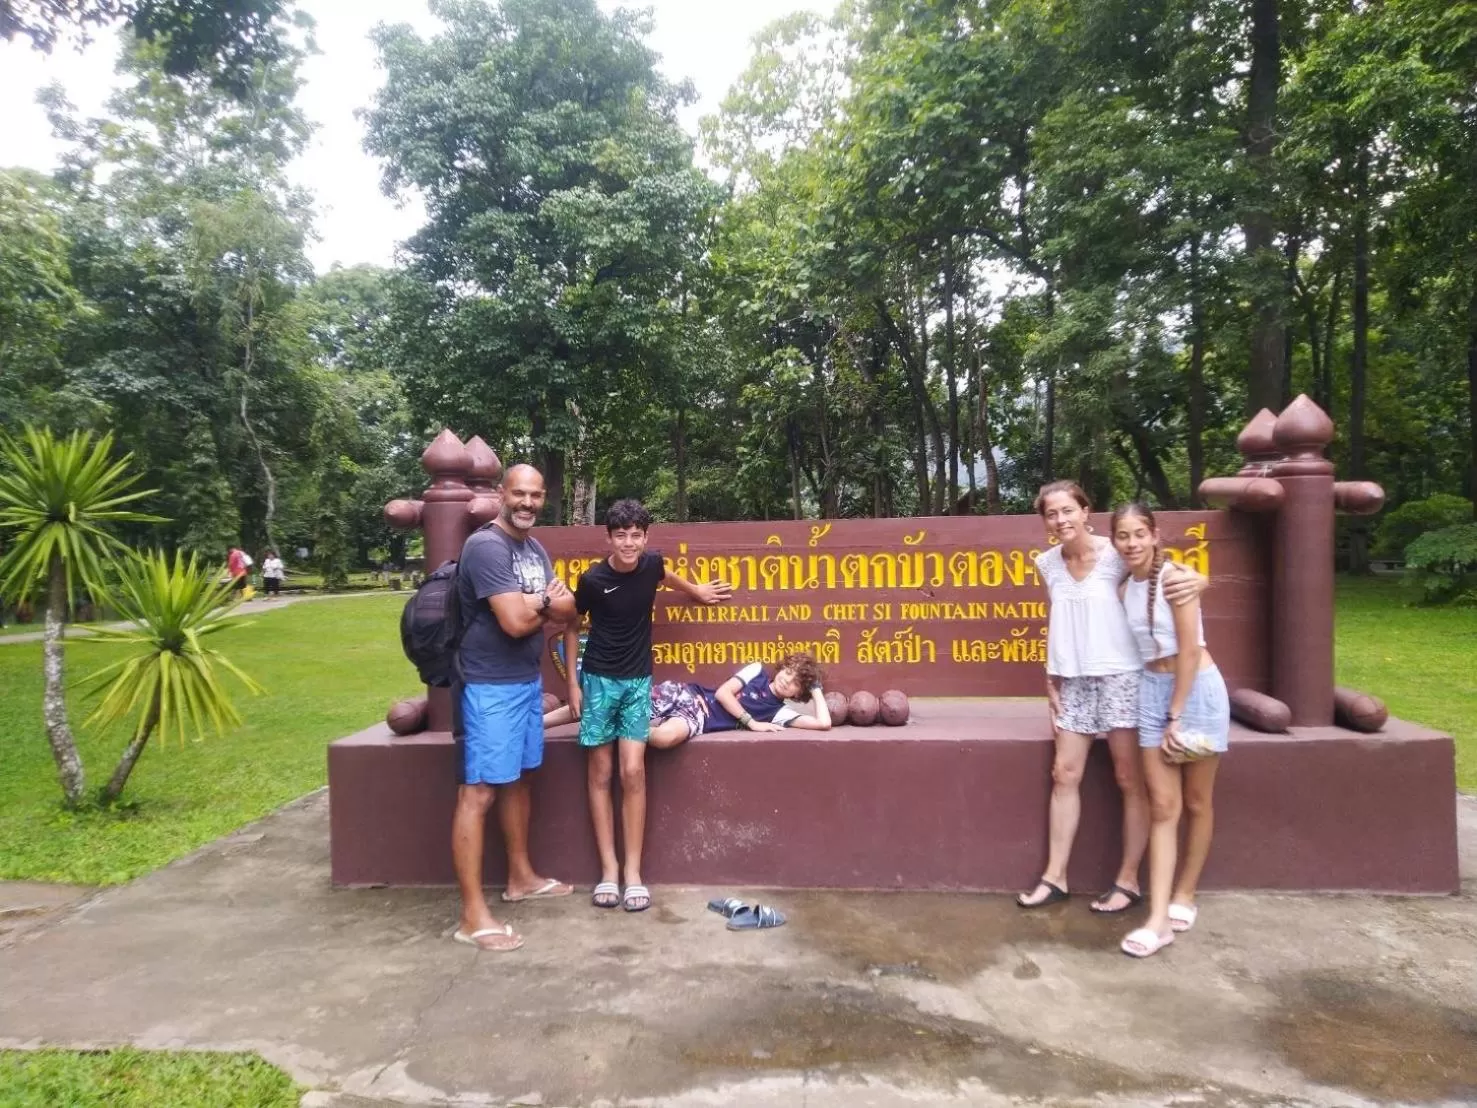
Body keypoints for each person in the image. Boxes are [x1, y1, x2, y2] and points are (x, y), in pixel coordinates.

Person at [1017, 481, 1203, 913]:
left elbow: (1164, 570)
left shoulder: (1115, 554)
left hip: (1122, 676)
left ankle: (1127, 880)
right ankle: (1055, 877)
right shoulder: (1047, 564)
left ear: (1086, 511)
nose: (1061, 520)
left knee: (1128, 778)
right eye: (1051, 514)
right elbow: (1062, 619)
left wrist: (1202, 579)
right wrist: (1051, 677)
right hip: (1073, 681)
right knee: (1064, 774)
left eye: (1068, 510)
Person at [561, 498, 731, 912]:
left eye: (636, 535)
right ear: (608, 538)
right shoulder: (593, 580)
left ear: (645, 537)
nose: (628, 543)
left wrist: (697, 591)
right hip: (599, 681)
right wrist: (573, 685)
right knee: (600, 772)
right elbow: (571, 626)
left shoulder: (651, 564)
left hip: (638, 682)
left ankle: (633, 873)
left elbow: (666, 576)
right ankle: (609, 869)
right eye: (621, 535)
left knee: (633, 770)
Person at [450, 463, 577, 953]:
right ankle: (472, 917)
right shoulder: (486, 547)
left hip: (524, 681)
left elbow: (567, 610)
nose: (527, 503)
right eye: (519, 493)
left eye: (536, 495)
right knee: (479, 792)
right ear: (502, 493)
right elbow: (514, 623)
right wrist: (543, 603)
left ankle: (520, 878)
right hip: (487, 686)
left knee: (520, 779)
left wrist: (537, 602)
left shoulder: (534, 549)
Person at [1111, 503, 1229, 958]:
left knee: (1197, 801)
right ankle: (1157, 919)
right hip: (1151, 691)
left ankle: (1186, 893)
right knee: (1163, 806)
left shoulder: (1177, 579)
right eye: (1123, 535)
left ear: (1155, 535)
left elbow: (1188, 652)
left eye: (1140, 533)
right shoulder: (1125, 587)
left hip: (1195, 692)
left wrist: (1175, 715)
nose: (1132, 543)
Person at [645, 652, 832, 749]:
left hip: (698, 717)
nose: (787, 680)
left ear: (798, 694)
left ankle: (628, 730)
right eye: (788, 672)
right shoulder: (757, 671)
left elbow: (823, 723)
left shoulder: (778, 713)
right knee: (633, 706)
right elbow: (723, 693)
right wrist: (752, 723)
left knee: (664, 738)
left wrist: (815, 688)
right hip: (688, 694)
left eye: (796, 683)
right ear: (782, 668)